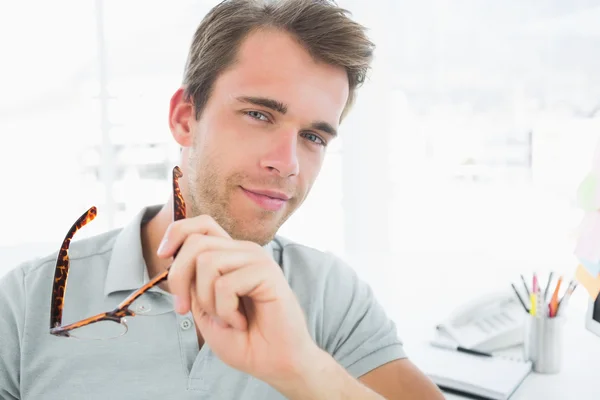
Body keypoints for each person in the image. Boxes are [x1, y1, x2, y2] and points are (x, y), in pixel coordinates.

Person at [0, 1, 444, 399]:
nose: (287, 163)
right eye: (259, 115)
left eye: (312, 136)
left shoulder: (331, 294)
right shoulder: (26, 303)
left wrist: (304, 369)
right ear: (184, 119)